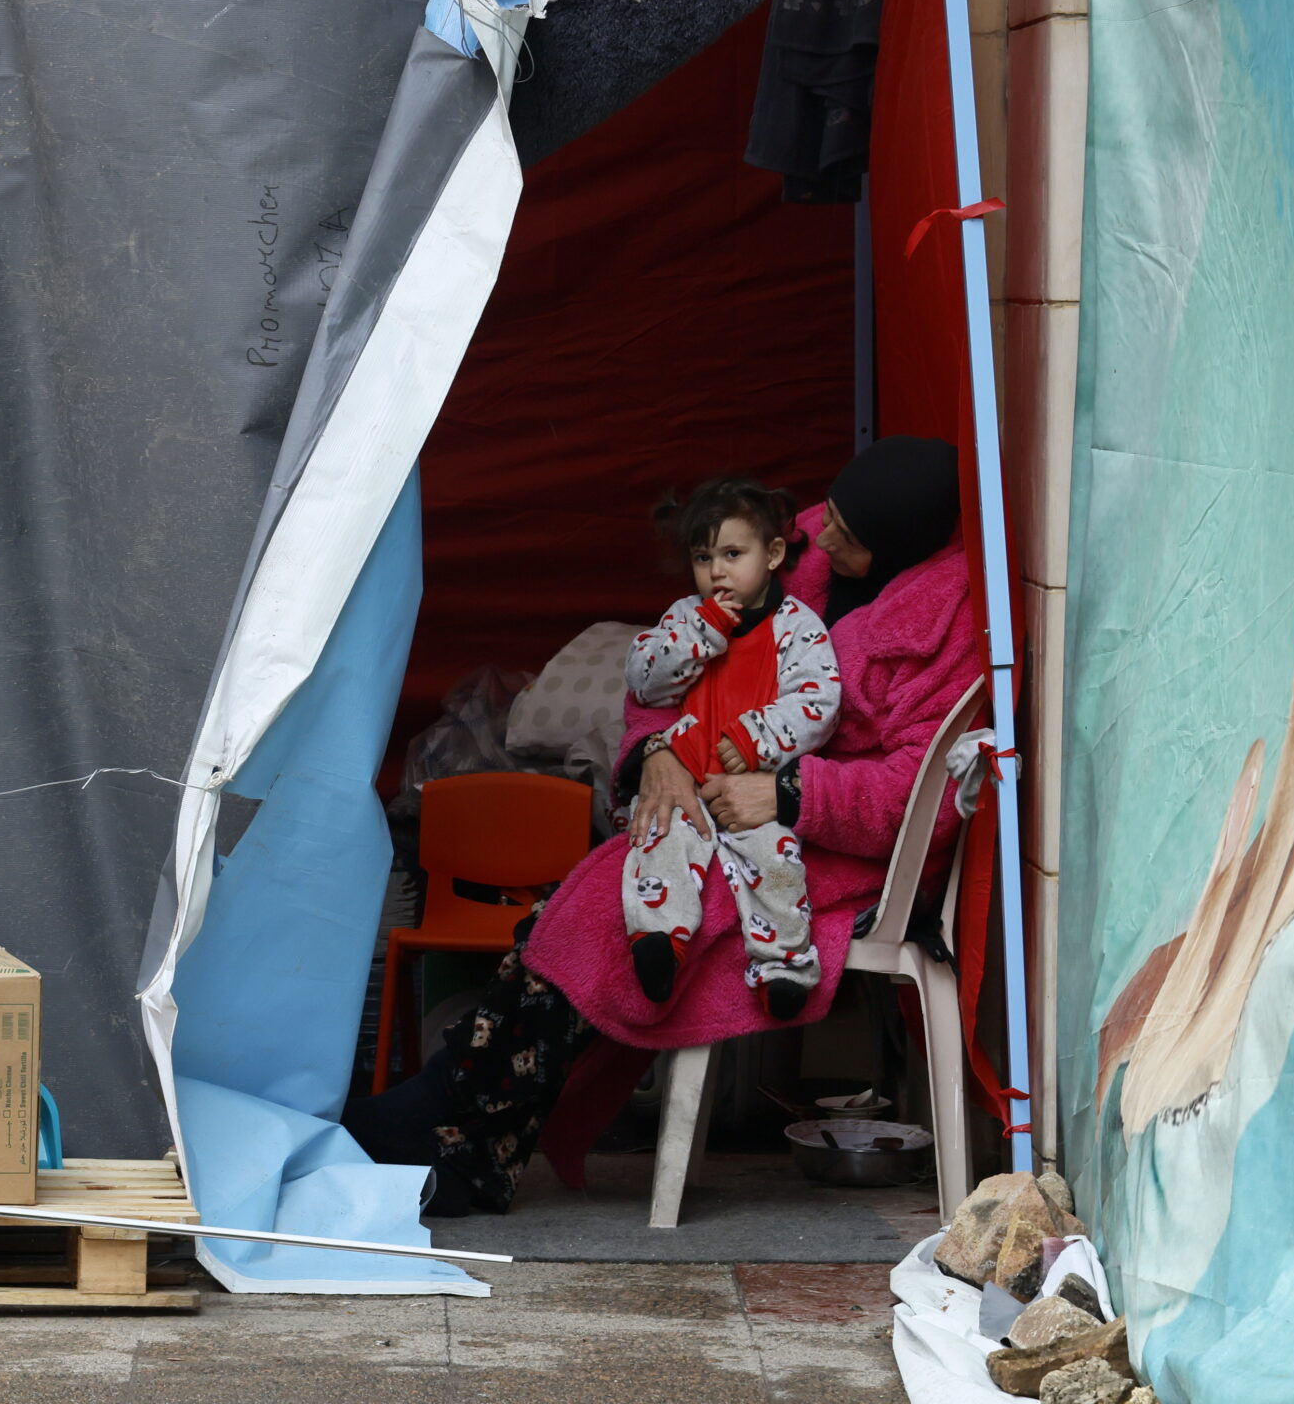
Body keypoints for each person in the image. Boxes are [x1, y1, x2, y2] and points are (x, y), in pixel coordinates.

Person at [346, 436, 972, 1216]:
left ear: (900, 549)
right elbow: (670, 669)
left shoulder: (949, 626)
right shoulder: (794, 549)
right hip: (704, 784)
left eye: (849, 533)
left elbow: (921, 792)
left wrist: (789, 794)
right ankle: (473, 1135)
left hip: (818, 846)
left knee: (600, 910)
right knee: (605, 898)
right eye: (828, 516)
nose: (824, 534)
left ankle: (458, 1117)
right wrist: (655, 757)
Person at [619, 477, 840, 1021]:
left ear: (773, 555)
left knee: (778, 863)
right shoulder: (684, 617)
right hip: (689, 786)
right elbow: (644, 682)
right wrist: (698, 635)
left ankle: (783, 967)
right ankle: (658, 941)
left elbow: (820, 699)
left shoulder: (796, 627)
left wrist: (755, 738)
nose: (716, 571)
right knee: (658, 839)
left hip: (749, 793)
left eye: (733, 554)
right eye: (703, 556)